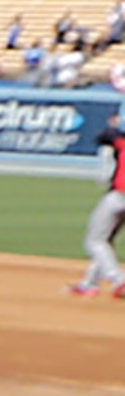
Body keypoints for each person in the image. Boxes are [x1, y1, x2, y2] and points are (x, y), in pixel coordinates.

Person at [76, 114, 125, 295]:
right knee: (106, 239)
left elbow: (104, 136)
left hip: (120, 196)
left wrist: (114, 125)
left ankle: (118, 279)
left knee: (95, 240)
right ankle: (90, 283)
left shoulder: (121, 141)